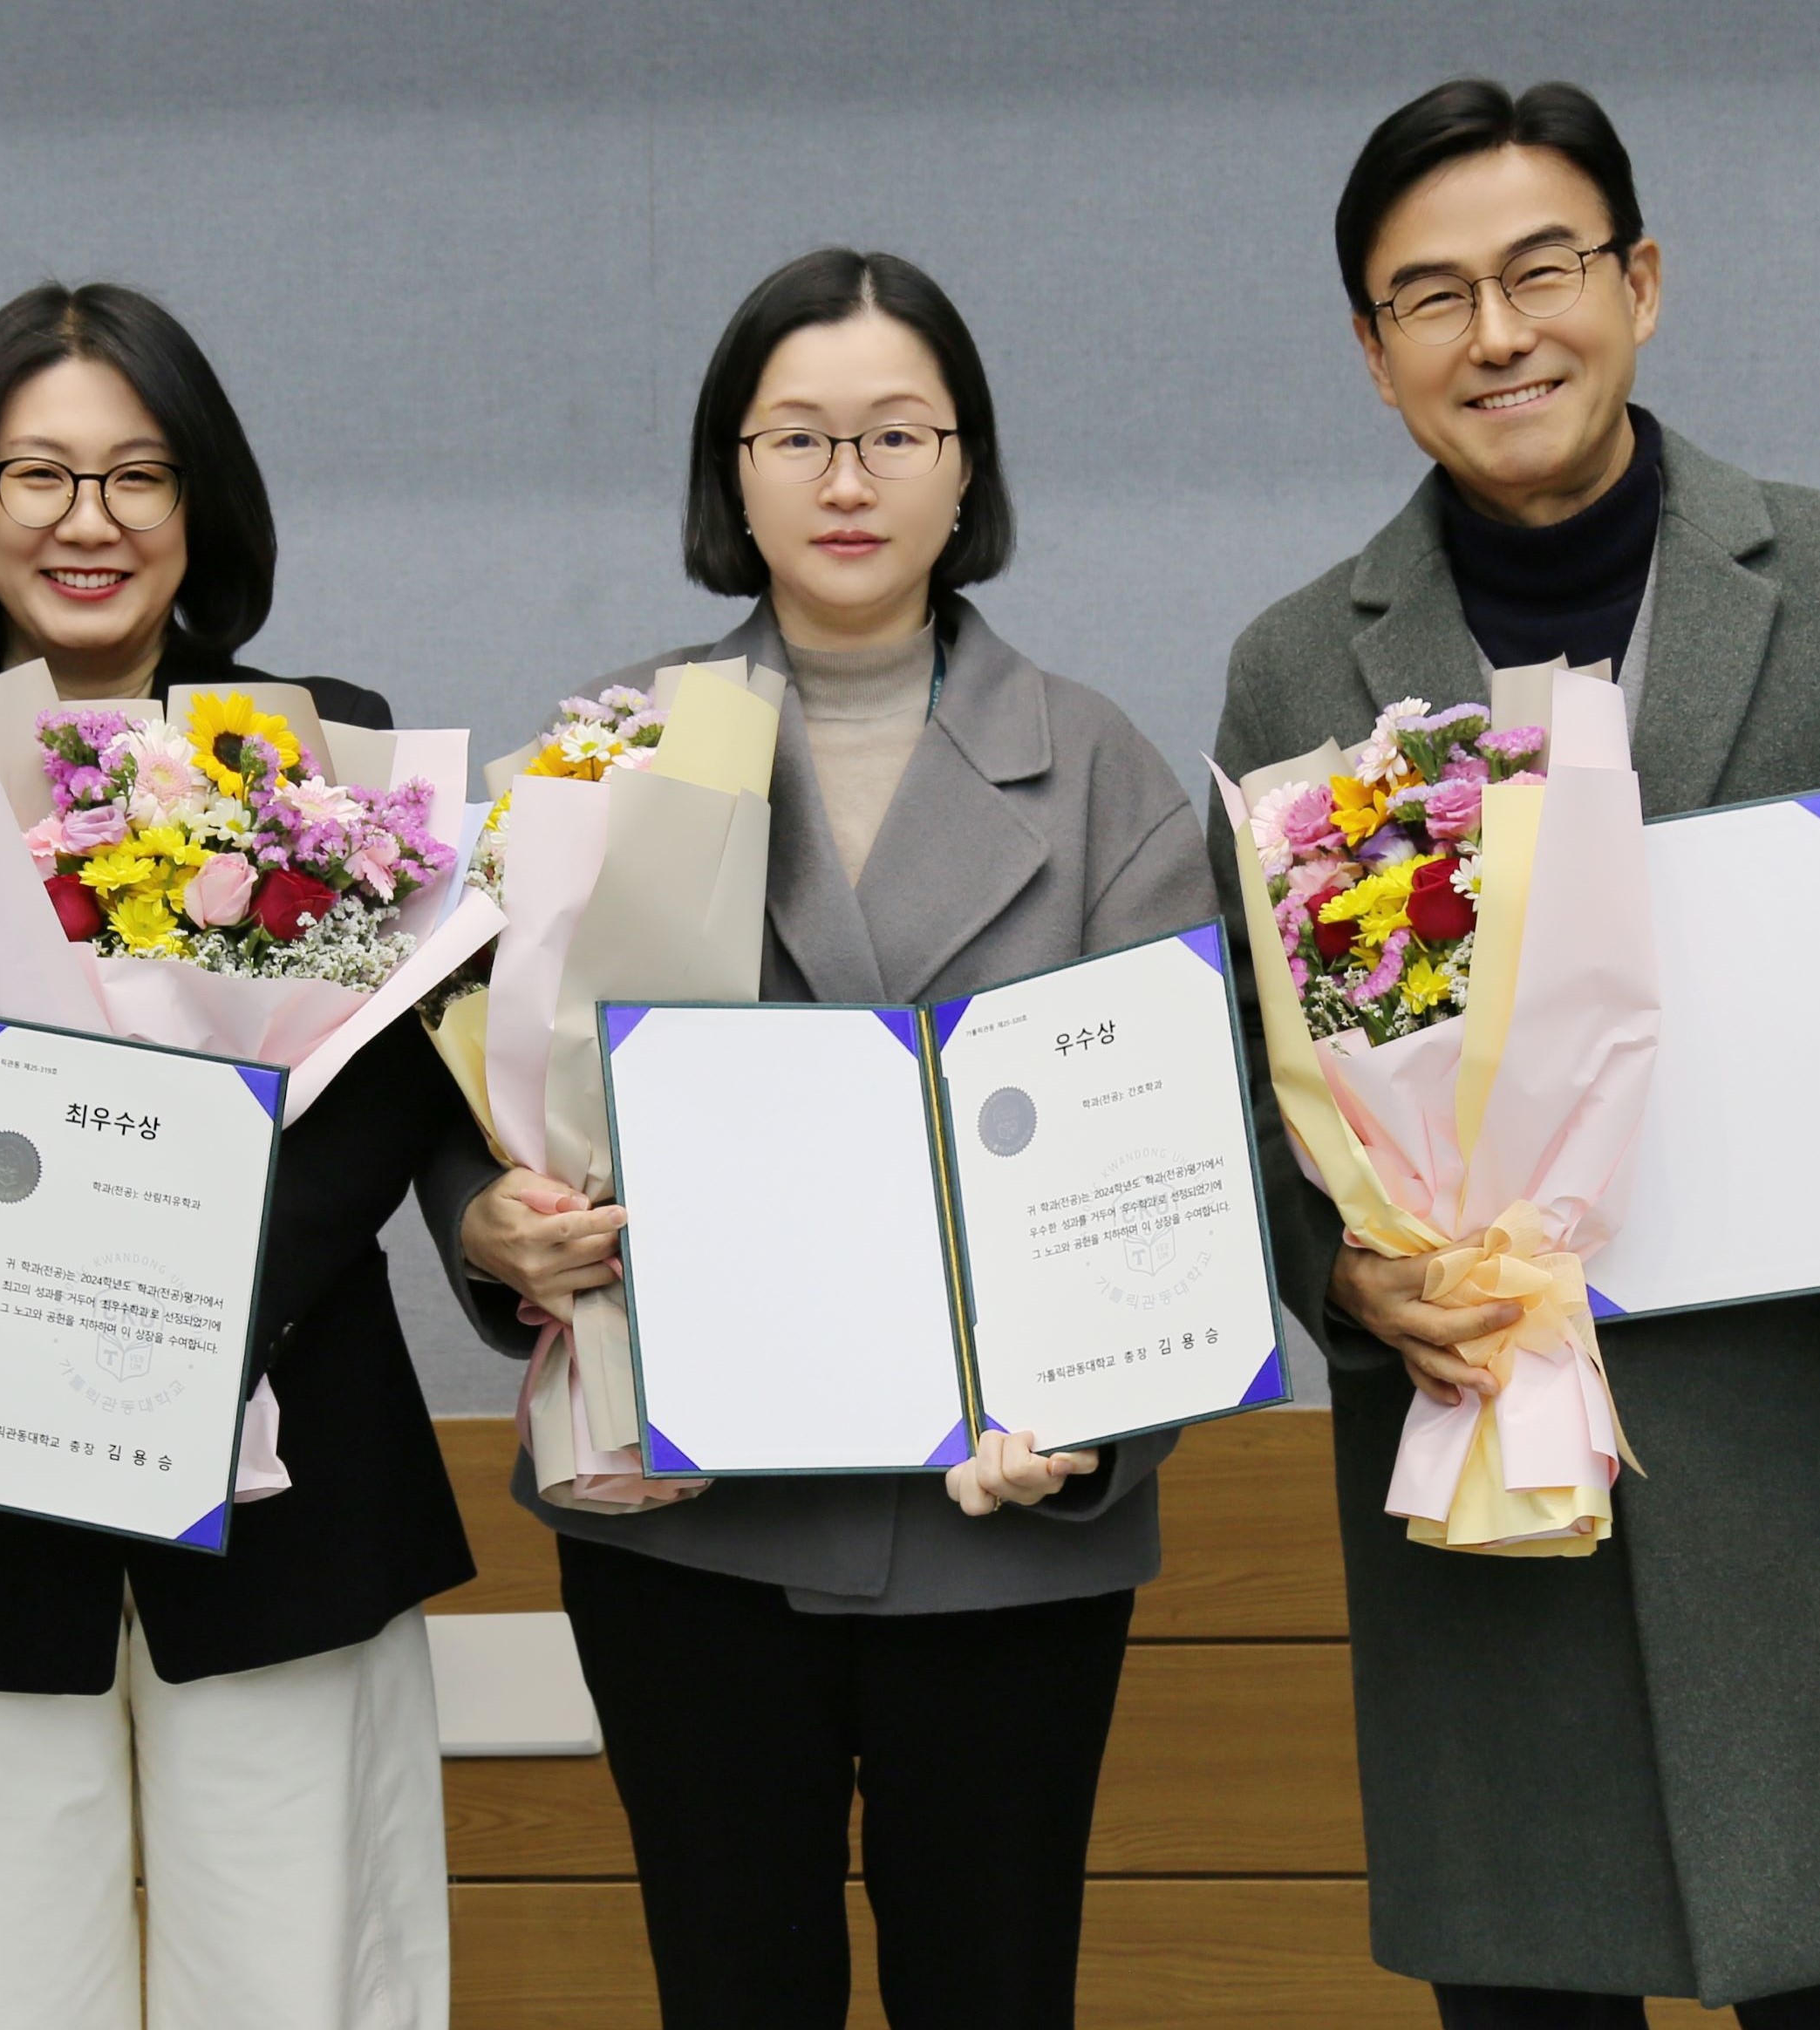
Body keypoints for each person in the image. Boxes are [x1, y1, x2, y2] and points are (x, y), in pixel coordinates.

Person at [1210, 78, 1820, 2027]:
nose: (1497, 332)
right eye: (1428, 297)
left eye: (1540, 269)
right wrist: (1349, 1283)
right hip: (1485, 1523)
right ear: (1371, 357)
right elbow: (1252, 1091)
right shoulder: (1298, 667)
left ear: (1636, 281)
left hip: (1809, 1491)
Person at [419, 248, 1220, 2030]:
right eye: (794, 436)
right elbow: (470, 1082)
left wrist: (1092, 1427)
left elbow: (1187, 1148)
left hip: (1003, 1521)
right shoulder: (604, 752)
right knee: (728, 1987)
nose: (843, 480)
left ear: (964, 465)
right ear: (731, 469)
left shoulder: (1098, 770)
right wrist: (490, 1229)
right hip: (688, 1517)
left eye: (890, 434)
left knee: (994, 1991)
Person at [0, 280, 476, 2030]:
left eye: (138, 473)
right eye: (39, 474)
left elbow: (381, 1095)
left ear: (199, 503)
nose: (90, 521)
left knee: (303, 1983)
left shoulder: (314, 750)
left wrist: (168, 1312)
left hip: (285, 1498)